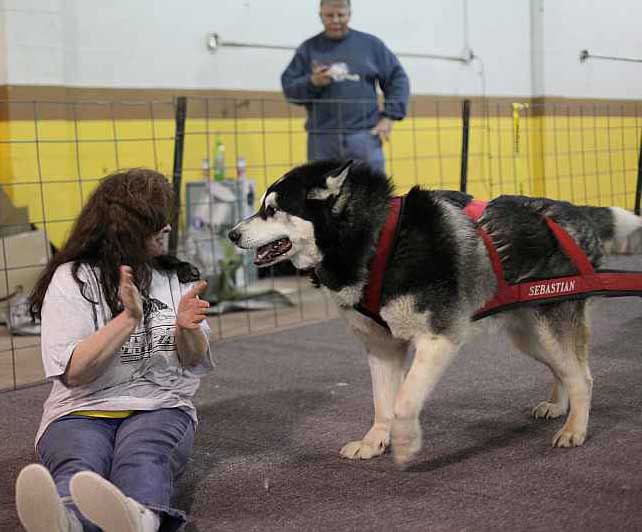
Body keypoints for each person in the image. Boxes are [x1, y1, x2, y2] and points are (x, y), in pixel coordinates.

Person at [14, 168, 213, 532]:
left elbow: (195, 358)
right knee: (78, 463)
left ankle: (140, 517)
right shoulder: (72, 278)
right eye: (157, 222)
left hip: (159, 405)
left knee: (143, 457)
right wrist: (128, 320)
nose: (168, 228)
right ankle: (66, 520)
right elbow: (75, 374)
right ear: (126, 227)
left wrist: (188, 329)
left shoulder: (177, 276)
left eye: (168, 219)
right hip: (81, 408)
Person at [281, 0, 410, 173]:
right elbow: (289, 88)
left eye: (341, 15)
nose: (335, 20)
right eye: (329, 15)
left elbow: (398, 79)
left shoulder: (371, 46)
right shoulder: (308, 49)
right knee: (321, 197)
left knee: (371, 196)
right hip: (322, 139)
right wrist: (312, 82)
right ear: (320, 16)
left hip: (364, 137)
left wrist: (390, 116)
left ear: (349, 15)